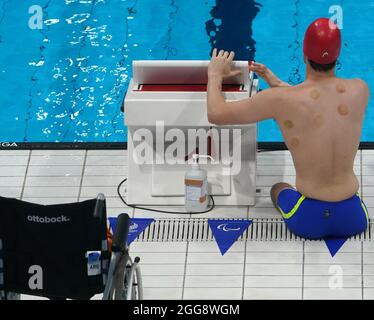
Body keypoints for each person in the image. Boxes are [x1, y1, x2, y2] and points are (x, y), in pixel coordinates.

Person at [207, 18, 370, 239]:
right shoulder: (360, 90)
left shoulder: (279, 100)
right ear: (337, 55)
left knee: (278, 188)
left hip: (309, 219)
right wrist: (276, 82)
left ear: (304, 54)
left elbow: (216, 114)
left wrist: (215, 74)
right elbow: (319, 104)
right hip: (354, 216)